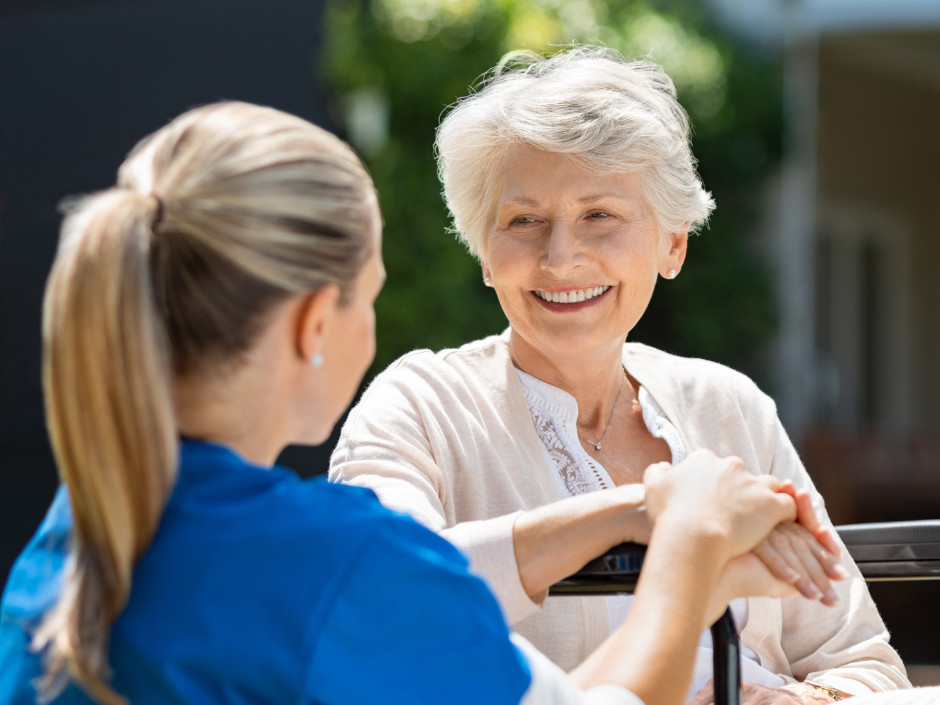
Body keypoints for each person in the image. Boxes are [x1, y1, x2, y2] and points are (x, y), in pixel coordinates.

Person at [0, 100, 823, 705]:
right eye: (370, 297)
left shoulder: (78, 530)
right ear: (317, 323)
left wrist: (635, 522)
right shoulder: (338, 567)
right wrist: (689, 542)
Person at [329, 46, 910, 703]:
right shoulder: (419, 406)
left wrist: (791, 700)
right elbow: (380, 595)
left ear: (673, 244)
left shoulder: (729, 404)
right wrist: (643, 511)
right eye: (524, 221)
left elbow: (859, 658)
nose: (560, 256)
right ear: (484, 253)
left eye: (599, 215)